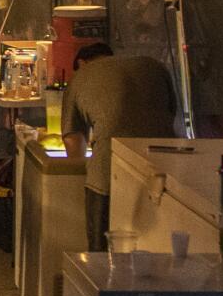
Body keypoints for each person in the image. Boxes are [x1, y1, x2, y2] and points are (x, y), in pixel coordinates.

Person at [60, 40, 177, 252]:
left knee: (102, 252)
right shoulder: (153, 66)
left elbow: (73, 141)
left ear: (81, 63)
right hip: (165, 167)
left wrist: (81, 164)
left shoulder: (79, 78)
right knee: (158, 247)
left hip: (107, 171)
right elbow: (170, 116)